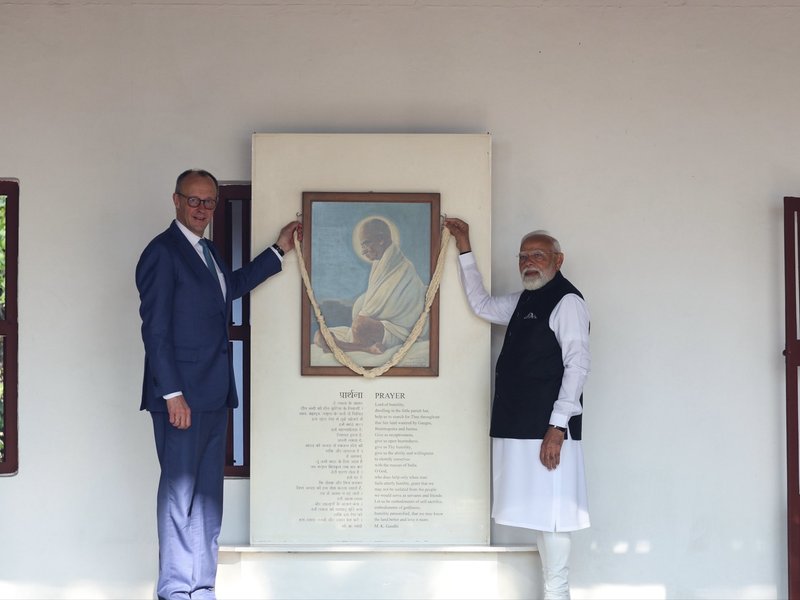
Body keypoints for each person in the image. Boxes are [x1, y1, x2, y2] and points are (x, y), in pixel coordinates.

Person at [136, 169, 301, 600]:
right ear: (176, 200)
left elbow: (232, 287)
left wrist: (279, 250)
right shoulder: (162, 252)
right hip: (181, 397)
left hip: (214, 392)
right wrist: (172, 394)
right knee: (180, 495)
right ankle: (175, 589)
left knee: (208, 497)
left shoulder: (207, 251)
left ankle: (202, 587)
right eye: (194, 200)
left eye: (209, 201)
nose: (202, 208)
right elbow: (155, 330)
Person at [444, 217, 590, 600]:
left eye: (538, 255)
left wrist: (558, 426)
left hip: (548, 431)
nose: (529, 262)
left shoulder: (568, 301)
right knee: (543, 516)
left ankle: (558, 594)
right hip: (518, 426)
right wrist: (464, 247)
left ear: (558, 260)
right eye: (523, 256)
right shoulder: (525, 299)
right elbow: (482, 304)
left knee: (556, 516)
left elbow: (577, 365)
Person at [314, 217, 427, 354]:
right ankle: (366, 349)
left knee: (361, 325)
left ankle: (342, 346)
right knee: (320, 335)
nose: (363, 251)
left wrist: (360, 322)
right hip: (376, 329)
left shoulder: (403, 268)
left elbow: (381, 309)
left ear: (381, 239)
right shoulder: (379, 264)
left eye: (366, 244)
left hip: (397, 331)